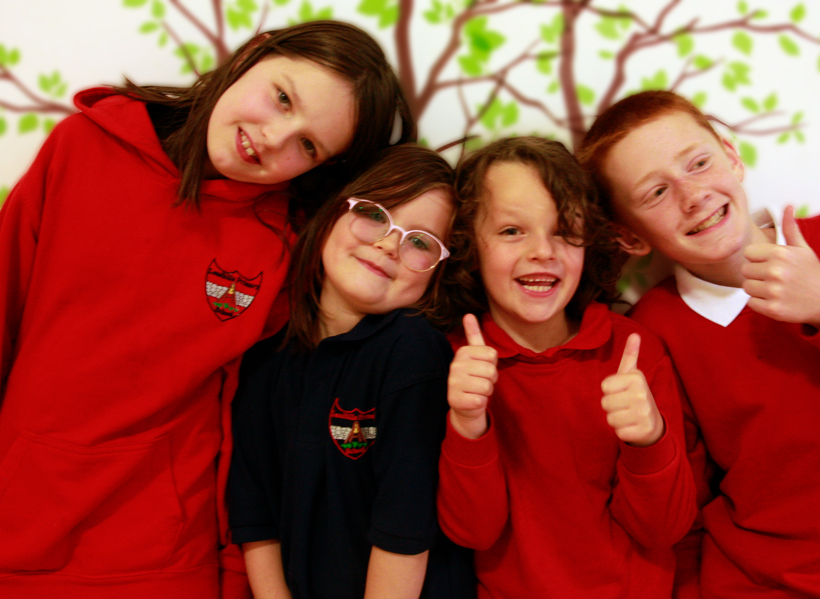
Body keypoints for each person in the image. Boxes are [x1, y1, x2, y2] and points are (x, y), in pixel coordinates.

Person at [0, 21, 413, 599]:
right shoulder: (84, 145)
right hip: (17, 527)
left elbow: (245, 423)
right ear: (251, 54)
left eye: (308, 146)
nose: (274, 139)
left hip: (161, 556)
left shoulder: (281, 245)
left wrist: (232, 574)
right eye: (283, 97)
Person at [577, 89, 820, 597]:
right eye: (655, 193)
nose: (692, 195)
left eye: (699, 163)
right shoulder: (654, 331)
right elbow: (677, 520)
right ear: (630, 238)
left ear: (731, 156)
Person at [434, 136, 696, 597]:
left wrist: (648, 439)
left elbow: (664, 529)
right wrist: (468, 423)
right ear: (469, 246)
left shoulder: (633, 351)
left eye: (563, 230)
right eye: (512, 231)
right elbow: (471, 532)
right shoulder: (454, 364)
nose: (543, 251)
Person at [227, 143, 475, 599]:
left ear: (437, 274)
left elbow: (405, 526)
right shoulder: (263, 356)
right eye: (375, 213)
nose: (387, 244)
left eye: (419, 241)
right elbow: (255, 514)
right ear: (333, 212)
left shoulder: (413, 353)